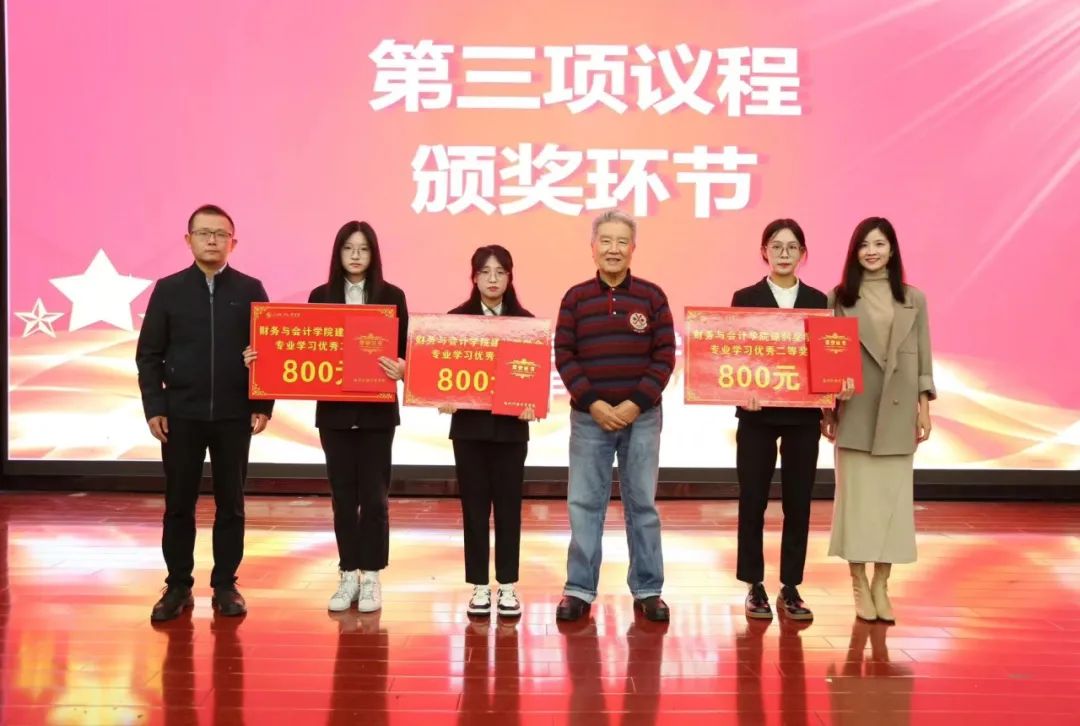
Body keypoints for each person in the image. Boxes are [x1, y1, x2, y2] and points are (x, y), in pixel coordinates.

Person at [245, 220, 407, 613]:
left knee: (374, 498)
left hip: (377, 414)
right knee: (343, 497)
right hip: (334, 414)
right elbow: (300, 347)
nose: (356, 255)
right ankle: (348, 572)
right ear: (338, 253)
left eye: (363, 248)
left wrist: (405, 367)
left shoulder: (392, 296)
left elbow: (405, 351)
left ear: (374, 254)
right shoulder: (321, 296)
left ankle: (372, 575)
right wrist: (262, 357)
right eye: (348, 248)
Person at [137, 203, 273, 622]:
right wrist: (155, 407)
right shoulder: (169, 290)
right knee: (179, 503)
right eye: (204, 233)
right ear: (188, 240)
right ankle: (178, 584)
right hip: (181, 414)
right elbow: (149, 355)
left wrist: (262, 404)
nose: (212, 240)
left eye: (220, 234)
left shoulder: (250, 289)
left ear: (234, 242)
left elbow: (268, 351)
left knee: (231, 503)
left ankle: (226, 584)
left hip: (234, 415)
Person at [553, 209, 675, 623]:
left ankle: (649, 589)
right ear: (592, 247)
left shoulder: (652, 297)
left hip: (643, 417)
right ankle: (579, 590)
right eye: (605, 241)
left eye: (622, 241)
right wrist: (594, 403)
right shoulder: (575, 298)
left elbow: (664, 355)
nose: (613, 249)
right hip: (590, 418)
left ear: (633, 248)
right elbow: (564, 354)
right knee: (585, 504)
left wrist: (634, 403)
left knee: (643, 506)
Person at [824, 217, 935, 623]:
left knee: (892, 504)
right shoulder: (838, 297)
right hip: (855, 410)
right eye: (863, 245)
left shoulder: (914, 298)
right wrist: (827, 409)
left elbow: (923, 356)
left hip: (899, 413)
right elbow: (826, 359)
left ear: (892, 250)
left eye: (879, 244)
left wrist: (924, 408)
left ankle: (882, 583)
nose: (871, 252)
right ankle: (857, 581)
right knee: (856, 504)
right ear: (854, 252)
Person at [730, 218, 831, 622]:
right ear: (764, 252)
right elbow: (733, 354)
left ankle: (791, 586)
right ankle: (754, 584)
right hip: (756, 414)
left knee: (798, 502)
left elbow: (825, 358)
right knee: (752, 499)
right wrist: (742, 391)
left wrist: (829, 405)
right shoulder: (745, 297)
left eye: (792, 247)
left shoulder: (818, 300)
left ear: (803, 254)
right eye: (776, 246)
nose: (784, 254)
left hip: (803, 416)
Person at [439, 245, 535, 618]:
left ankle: (508, 584)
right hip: (468, 430)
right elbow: (440, 372)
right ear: (474, 277)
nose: (492, 279)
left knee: (509, 509)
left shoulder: (525, 323)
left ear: (510, 277)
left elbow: (534, 376)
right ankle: (479, 585)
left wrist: (532, 402)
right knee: (474, 509)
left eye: (500, 272)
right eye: (485, 272)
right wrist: (442, 396)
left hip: (511, 431)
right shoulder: (455, 320)